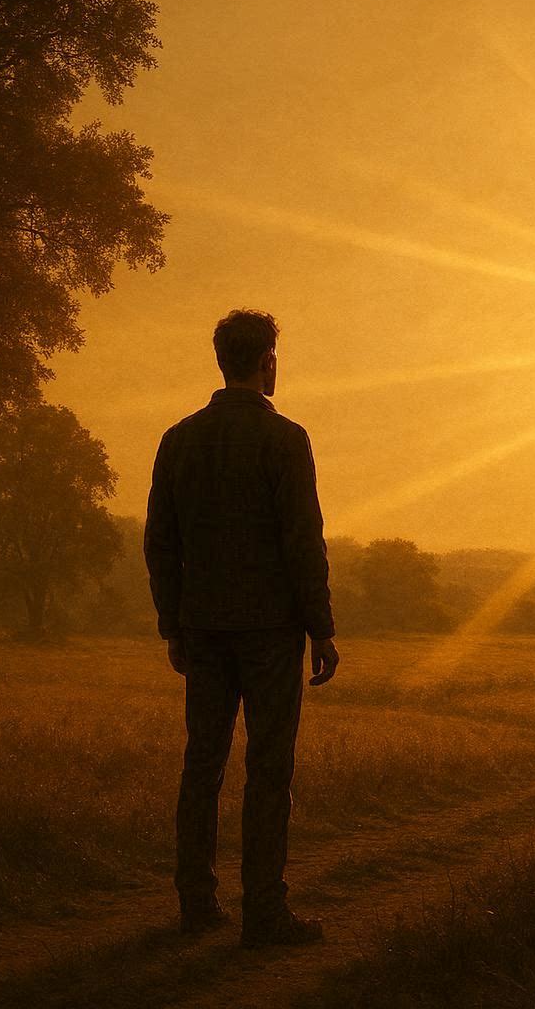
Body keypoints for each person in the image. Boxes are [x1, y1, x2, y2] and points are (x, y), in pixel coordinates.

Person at [144, 308, 340, 947]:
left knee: (201, 765)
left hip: (203, 627)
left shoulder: (179, 439)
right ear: (267, 362)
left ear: (221, 360)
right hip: (270, 631)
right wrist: (321, 628)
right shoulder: (285, 439)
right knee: (268, 768)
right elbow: (302, 540)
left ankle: (196, 904)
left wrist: (173, 624)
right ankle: (264, 911)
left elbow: (160, 542)